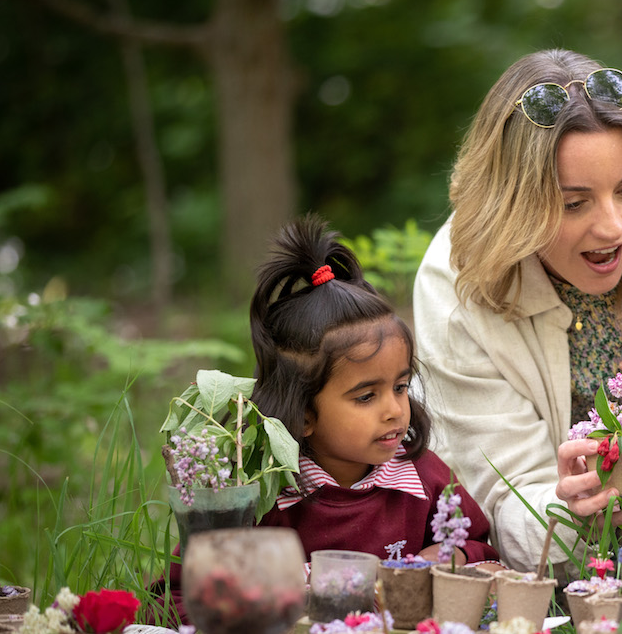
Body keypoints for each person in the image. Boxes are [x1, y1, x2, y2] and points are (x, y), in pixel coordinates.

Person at [412, 49, 622, 572]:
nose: (613, 226)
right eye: (574, 203)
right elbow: (505, 500)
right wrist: (568, 510)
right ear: (514, 203)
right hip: (589, 583)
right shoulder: (456, 286)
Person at [160, 216, 501, 622]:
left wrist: (451, 556)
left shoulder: (425, 480)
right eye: (366, 396)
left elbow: (482, 547)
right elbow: (176, 596)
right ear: (304, 415)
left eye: (400, 387)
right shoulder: (260, 496)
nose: (394, 409)